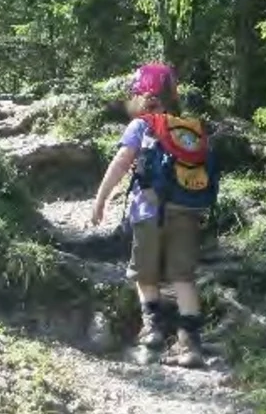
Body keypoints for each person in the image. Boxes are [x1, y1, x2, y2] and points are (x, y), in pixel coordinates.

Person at [89, 62, 209, 368]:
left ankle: (152, 331)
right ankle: (190, 346)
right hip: (187, 211)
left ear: (140, 96)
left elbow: (121, 162)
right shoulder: (187, 128)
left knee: (145, 275)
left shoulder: (140, 125)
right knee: (183, 278)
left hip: (148, 211)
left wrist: (101, 200)